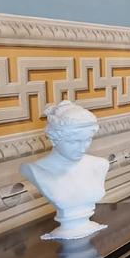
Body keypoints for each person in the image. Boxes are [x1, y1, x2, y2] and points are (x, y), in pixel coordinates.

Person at [19, 101, 109, 240]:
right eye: (73, 142)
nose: (82, 148)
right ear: (53, 139)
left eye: (87, 140)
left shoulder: (100, 165)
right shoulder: (36, 171)